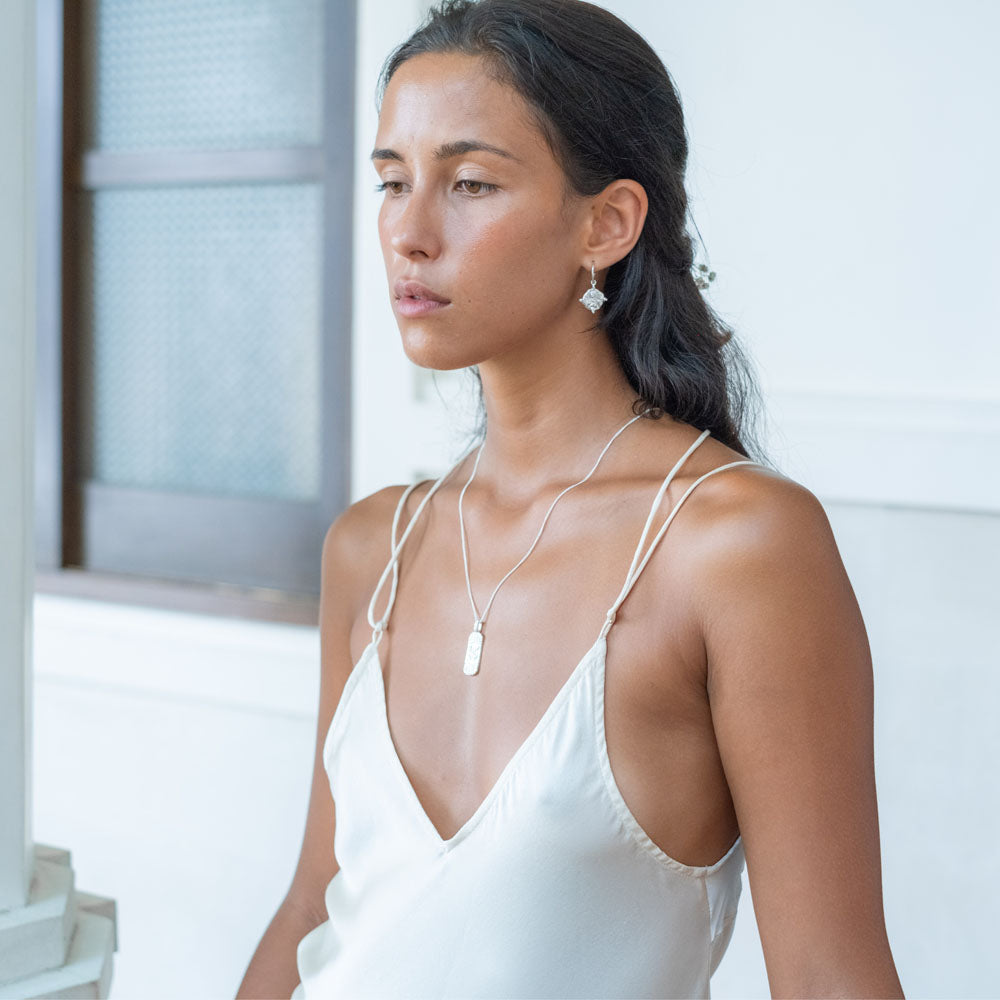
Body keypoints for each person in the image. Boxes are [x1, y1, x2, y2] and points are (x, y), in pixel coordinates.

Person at [237, 1, 903, 997]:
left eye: (467, 182)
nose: (408, 234)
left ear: (606, 222)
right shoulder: (373, 546)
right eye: (391, 181)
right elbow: (309, 909)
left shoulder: (733, 545)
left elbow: (826, 973)